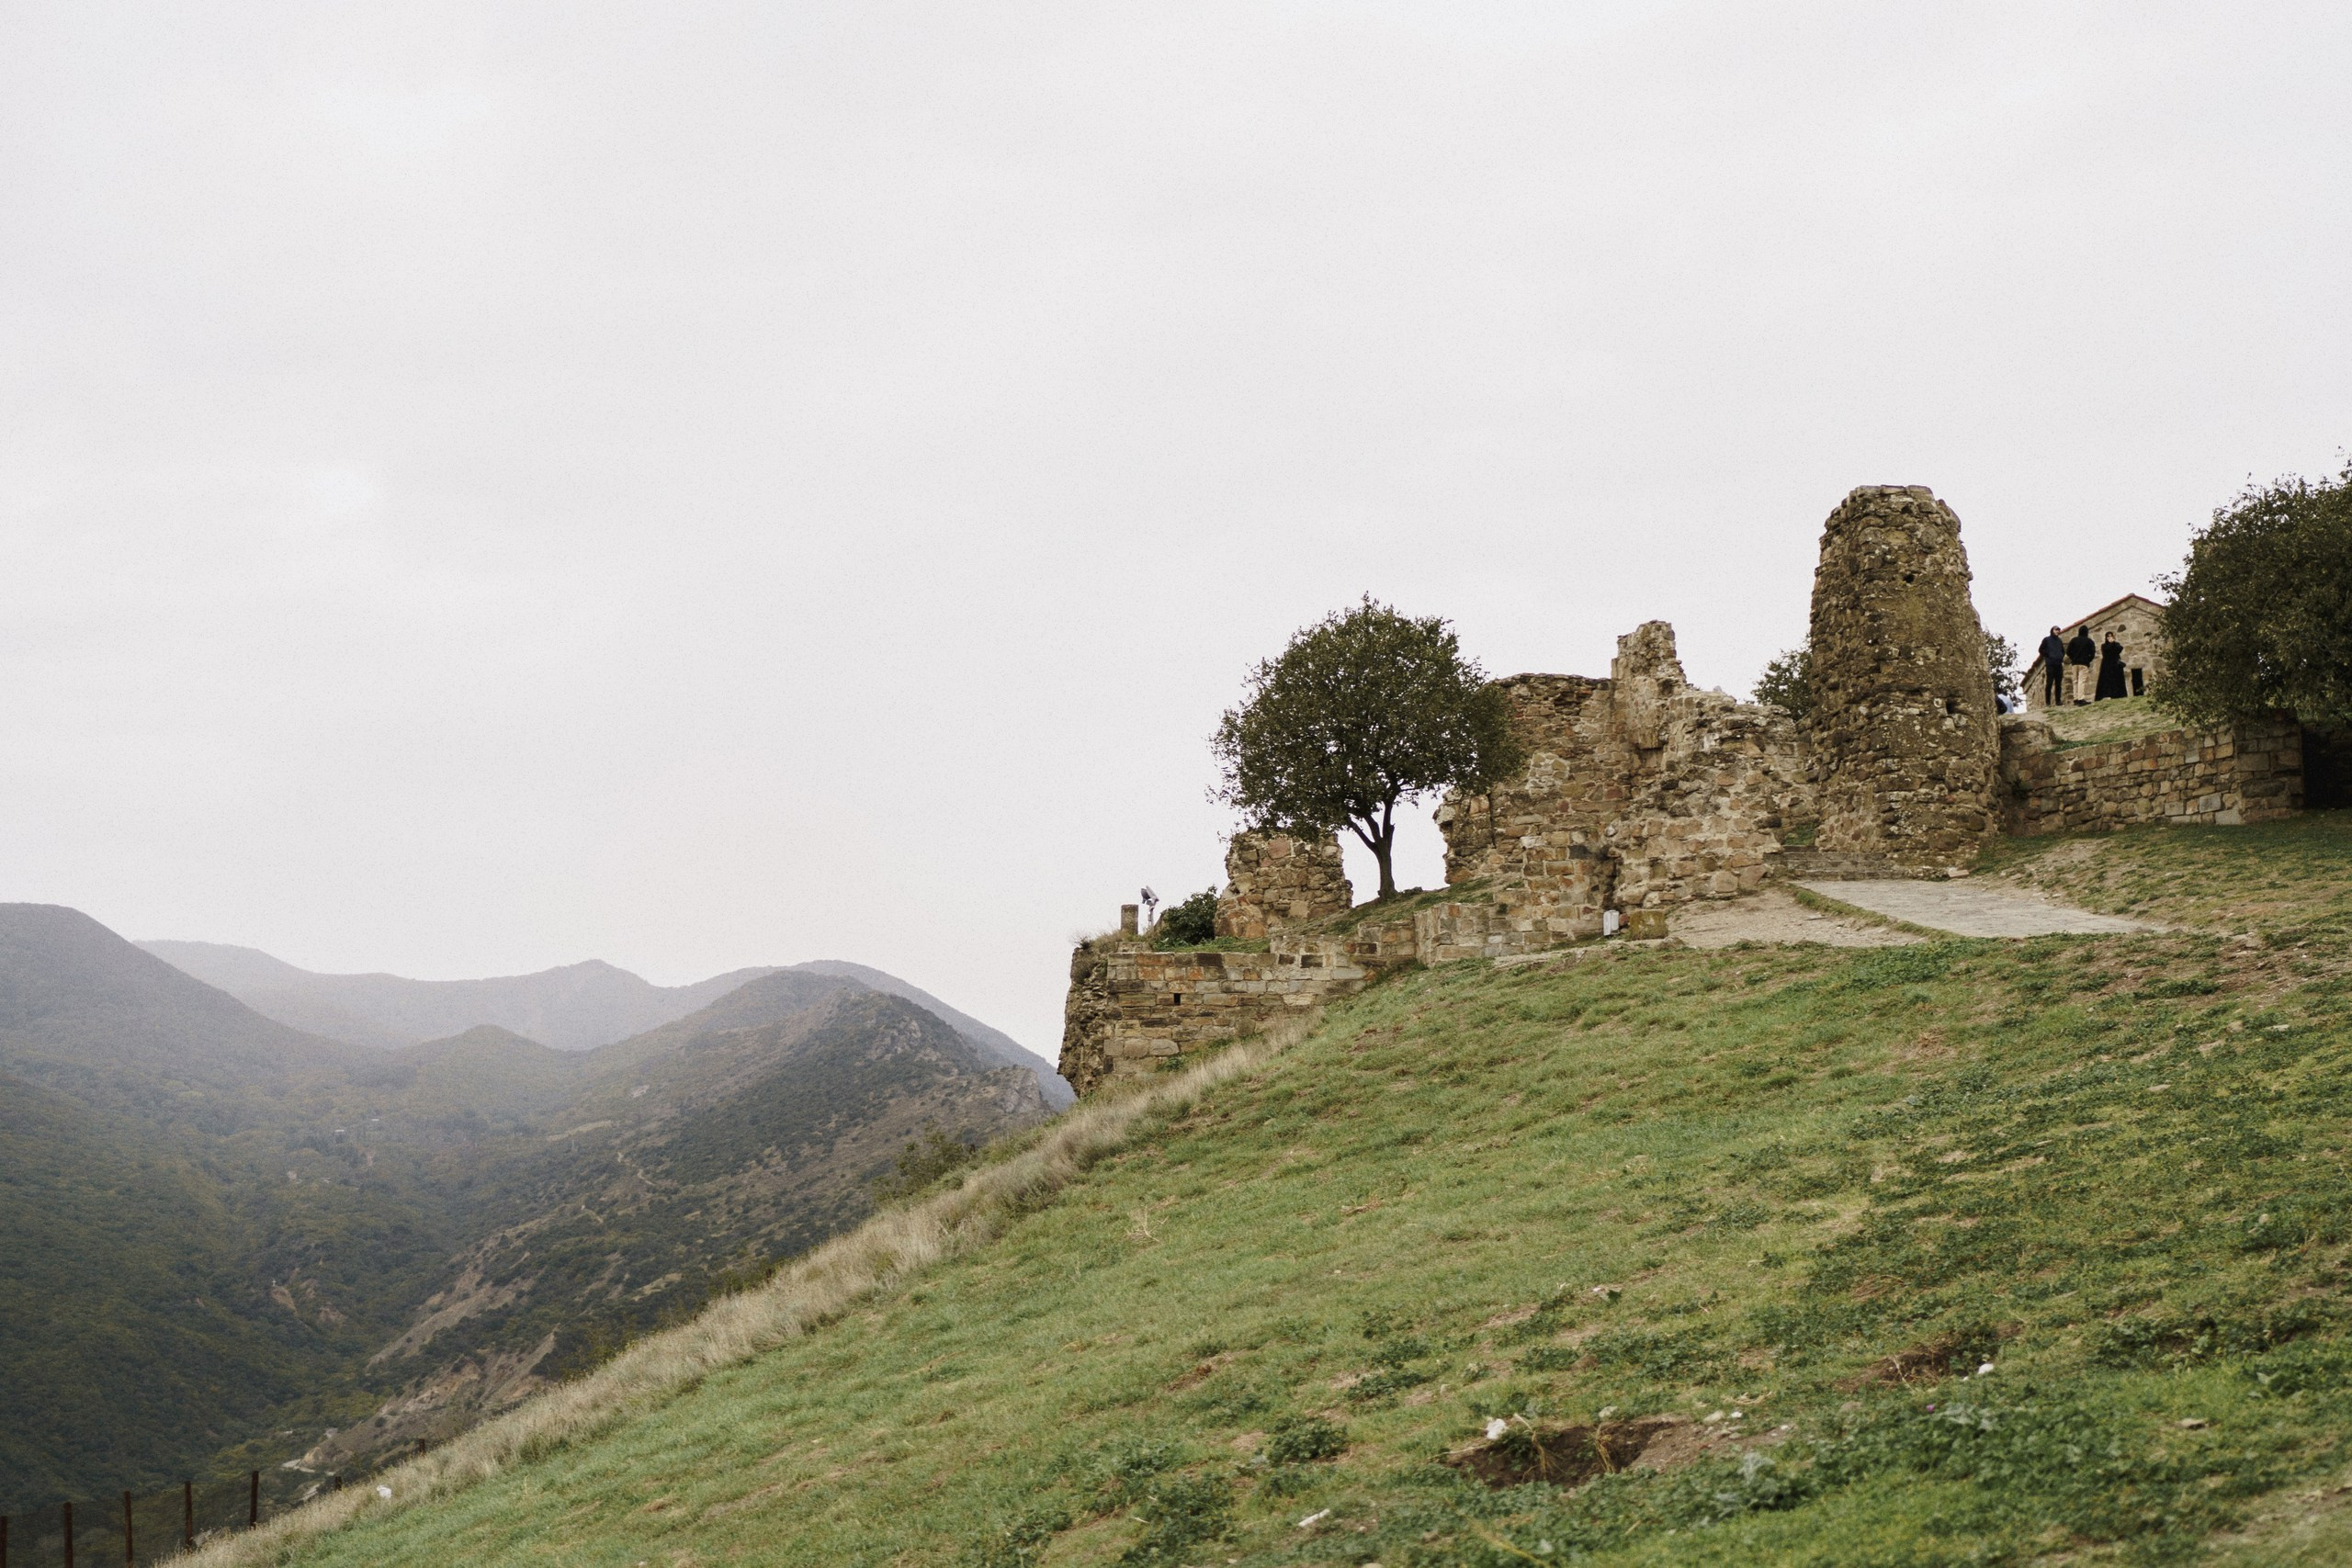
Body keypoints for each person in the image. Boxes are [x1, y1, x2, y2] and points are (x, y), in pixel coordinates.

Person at [2037, 626, 2068, 709]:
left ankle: (2058, 701)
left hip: (2058, 663)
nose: (2057, 631)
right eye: (2056, 630)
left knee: (2058, 683)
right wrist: (2048, 655)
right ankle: (2048, 702)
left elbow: (2062, 651)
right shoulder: (2046, 640)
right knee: (2049, 683)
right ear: (2052, 631)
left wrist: (2061, 657)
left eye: (2058, 630)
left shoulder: (2059, 641)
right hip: (2050, 664)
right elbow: (2040, 650)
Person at [2064, 625, 2098, 704]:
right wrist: (2088, 660)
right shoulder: (2089, 641)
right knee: (2081, 681)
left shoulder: (2074, 640)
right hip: (2084, 663)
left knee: (2075, 681)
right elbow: (2092, 653)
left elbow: (2068, 652)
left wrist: (2073, 658)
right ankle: (2081, 698)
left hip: (2074, 663)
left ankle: (2076, 698)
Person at [2096, 628, 2129, 701]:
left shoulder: (2116, 644)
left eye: (2111, 636)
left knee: (2118, 680)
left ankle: (2120, 695)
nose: (2109, 637)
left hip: (2116, 665)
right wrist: (2111, 644)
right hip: (2107, 665)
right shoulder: (2104, 645)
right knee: (2108, 681)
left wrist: (2113, 643)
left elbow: (2120, 649)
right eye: (2108, 636)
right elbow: (2106, 651)